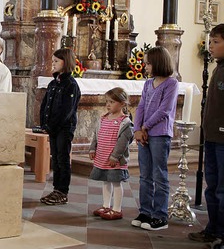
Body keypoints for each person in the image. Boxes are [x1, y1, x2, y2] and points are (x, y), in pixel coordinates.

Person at [131, 46, 178, 231]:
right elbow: (141, 106)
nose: (145, 67)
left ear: (158, 63)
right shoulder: (148, 83)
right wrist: (137, 129)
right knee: (145, 175)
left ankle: (160, 215)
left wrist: (145, 126)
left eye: (148, 63)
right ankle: (145, 212)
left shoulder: (171, 84)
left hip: (159, 134)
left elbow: (164, 110)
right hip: (144, 134)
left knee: (159, 175)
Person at [189, 23, 224, 242]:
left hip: (222, 140)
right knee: (212, 187)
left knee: (222, 189)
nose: (210, 46)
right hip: (212, 138)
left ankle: (221, 234)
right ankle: (213, 229)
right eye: (210, 41)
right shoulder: (218, 68)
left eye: (216, 42)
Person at [39, 48, 81, 205]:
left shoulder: (70, 85)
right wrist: (44, 123)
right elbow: (45, 106)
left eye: (56, 61)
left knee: (63, 159)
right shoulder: (53, 83)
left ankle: (63, 191)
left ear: (66, 62)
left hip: (64, 128)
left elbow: (66, 111)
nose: (53, 63)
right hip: (53, 128)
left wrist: (52, 125)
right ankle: (56, 189)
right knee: (55, 159)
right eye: (53, 60)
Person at [89, 87, 134, 220]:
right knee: (105, 181)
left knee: (116, 182)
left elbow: (123, 142)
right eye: (107, 101)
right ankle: (106, 205)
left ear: (122, 104)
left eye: (112, 102)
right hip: (102, 157)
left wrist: (115, 156)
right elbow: (96, 135)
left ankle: (117, 209)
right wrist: (93, 148)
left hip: (114, 160)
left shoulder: (125, 122)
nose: (108, 105)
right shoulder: (103, 118)